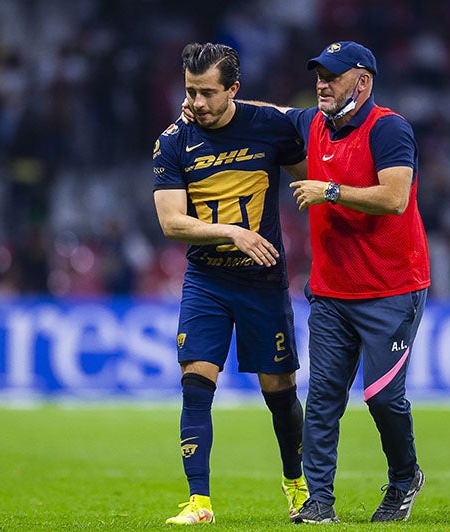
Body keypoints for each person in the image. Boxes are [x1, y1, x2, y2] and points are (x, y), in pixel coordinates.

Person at [153, 42, 309, 525]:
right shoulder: (173, 142)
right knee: (196, 382)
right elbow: (171, 223)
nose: (196, 103)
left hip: (264, 280)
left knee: (279, 389)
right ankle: (199, 503)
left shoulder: (270, 127)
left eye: (207, 93)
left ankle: (297, 486)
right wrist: (231, 233)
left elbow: (308, 175)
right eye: (190, 92)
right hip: (207, 280)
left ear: (233, 90)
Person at [282, 41, 430, 523]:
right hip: (330, 292)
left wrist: (329, 191)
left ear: (362, 81)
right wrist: (219, 103)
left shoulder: (389, 127)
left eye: (333, 75)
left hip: (391, 289)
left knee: (383, 398)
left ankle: (405, 477)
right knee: (322, 398)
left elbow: (394, 198)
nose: (321, 83)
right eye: (318, 74)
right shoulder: (312, 125)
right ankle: (319, 501)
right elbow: (271, 112)